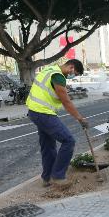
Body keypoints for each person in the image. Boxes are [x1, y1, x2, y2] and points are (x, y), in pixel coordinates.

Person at [26, 59, 88, 187]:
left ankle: (47, 177)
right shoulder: (58, 77)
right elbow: (66, 102)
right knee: (68, 141)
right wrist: (80, 118)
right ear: (71, 67)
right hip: (43, 112)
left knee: (48, 145)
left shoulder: (50, 69)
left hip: (34, 111)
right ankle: (58, 176)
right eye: (74, 73)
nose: (72, 76)